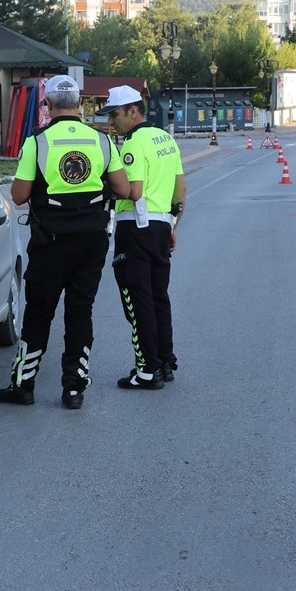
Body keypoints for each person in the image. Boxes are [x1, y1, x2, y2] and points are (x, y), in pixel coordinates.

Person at [0, 75, 130, 410]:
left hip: (50, 241)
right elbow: (125, 190)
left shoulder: (37, 142)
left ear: (48, 106)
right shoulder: (101, 141)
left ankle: (23, 386)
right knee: (80, 311)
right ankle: (74, 388)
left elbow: (19, 195)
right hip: (92, 241)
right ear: (81, 104)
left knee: (39, 313)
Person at [103, 84, 186, 390]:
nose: (113, 121)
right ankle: (165, 361)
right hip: (162, 225)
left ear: (133, 111)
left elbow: (133, 191)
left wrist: (108, 186)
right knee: (158, 297)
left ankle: (147, 370)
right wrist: (173, 226)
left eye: (116, 114)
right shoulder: (166, 139)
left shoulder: (134, 144)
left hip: (134, 228)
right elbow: (181, 190)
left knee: (137, 301)